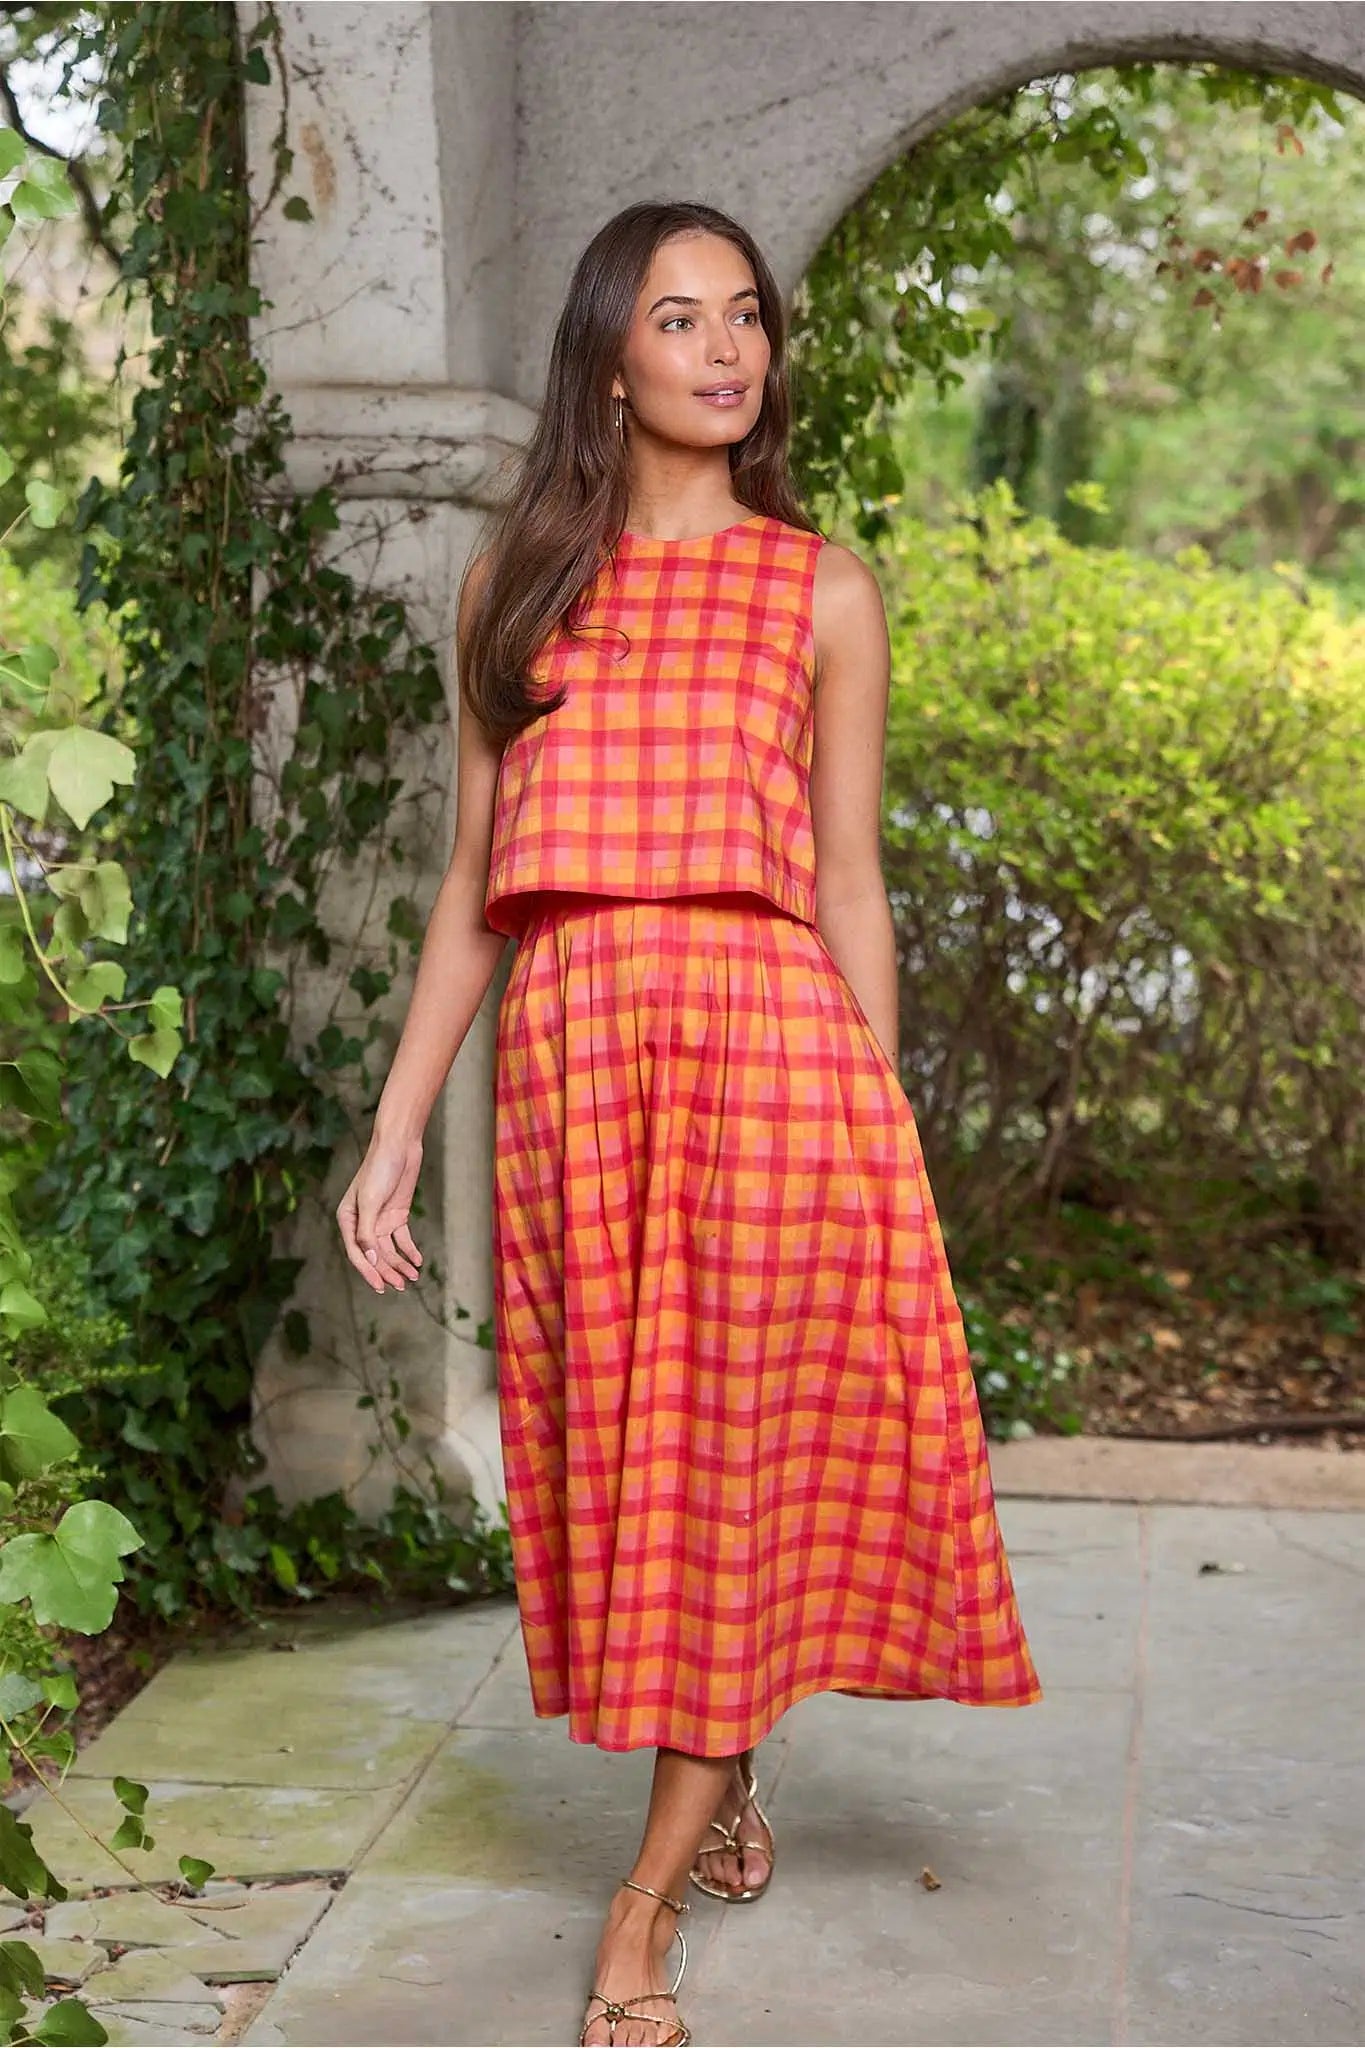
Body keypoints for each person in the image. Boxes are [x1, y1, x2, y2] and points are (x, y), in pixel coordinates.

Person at [337, 198, 1042, 2048]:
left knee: (721, 1478)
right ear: (609, 356)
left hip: (772, 1060)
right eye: (680, 317)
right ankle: (719, 1775)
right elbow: (473, 887)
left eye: (746, 317)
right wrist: (399, 1125)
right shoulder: (517, 594)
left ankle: (635, 1912)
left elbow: (853, 887)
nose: (726, 349)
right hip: (572, 1079)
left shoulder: (818, 586)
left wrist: (878, 1126)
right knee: (630, 1475)